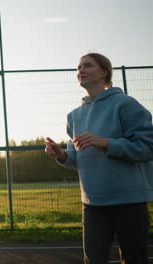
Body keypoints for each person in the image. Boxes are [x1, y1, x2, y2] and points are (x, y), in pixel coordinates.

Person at [45, 53, 153, 263]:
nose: (80, 71)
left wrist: (106, 143)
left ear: (104, 72)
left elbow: (147, 147)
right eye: (78, 67)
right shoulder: (74, 116)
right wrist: (62, 155)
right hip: (92, 203)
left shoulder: (125, 104)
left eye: (87, 66)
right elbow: (78, 158)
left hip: (129, 201)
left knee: (135, 259)